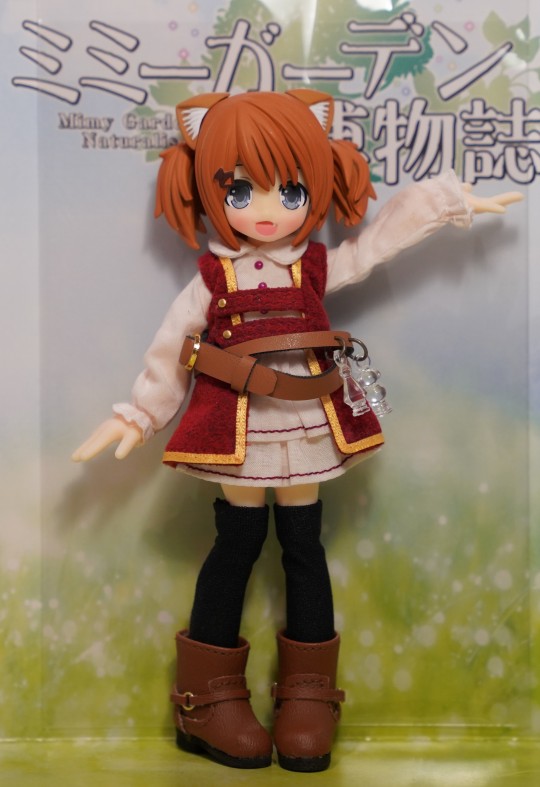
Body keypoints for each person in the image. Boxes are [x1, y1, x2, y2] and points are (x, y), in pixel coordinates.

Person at [72, 90, 522, 772]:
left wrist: (443, 203)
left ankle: (309, 693)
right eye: (239, 190)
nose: (266, 210)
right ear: (209, 189)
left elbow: (371, 248)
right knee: (237, 541)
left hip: (307, 420)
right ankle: (205, 700)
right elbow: (171, 348)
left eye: (289, 190)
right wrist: (137, 412)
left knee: (304, 543)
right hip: (238, 425)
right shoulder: (212, 279)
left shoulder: (313, 265)